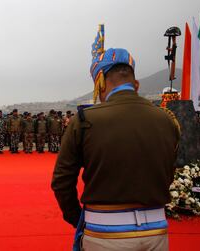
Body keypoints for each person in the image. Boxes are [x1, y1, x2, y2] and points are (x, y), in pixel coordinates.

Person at [51, 25, 180, 251]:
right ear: (136, 83)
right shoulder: (167, 119)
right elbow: (168, 171)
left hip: (104, 233)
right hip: (157, 231)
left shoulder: (84, 120)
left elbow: (62, 181)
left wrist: (78, 219)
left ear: (100, 81)